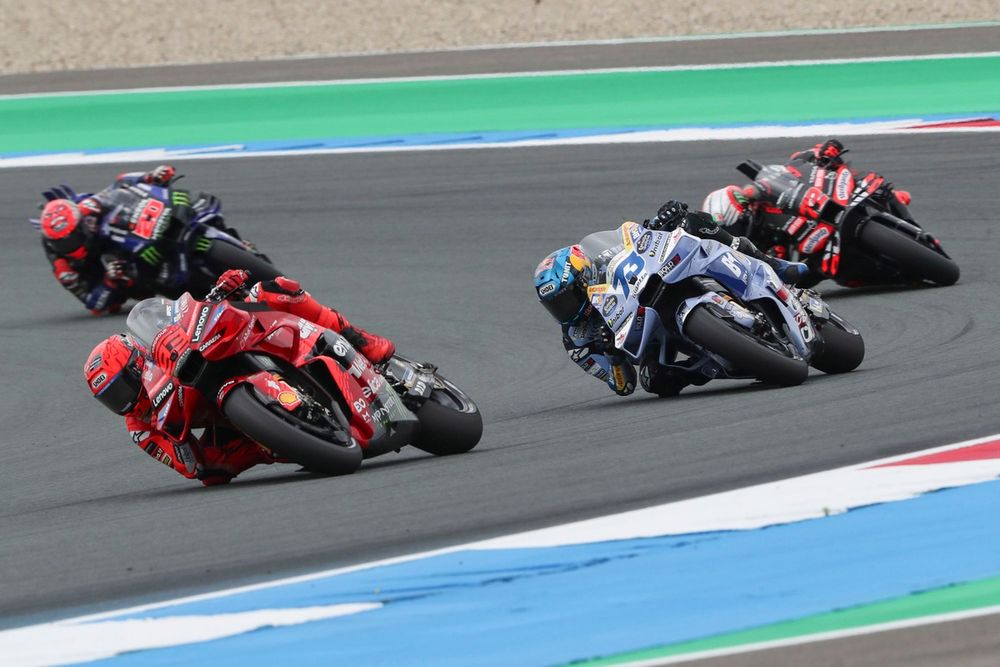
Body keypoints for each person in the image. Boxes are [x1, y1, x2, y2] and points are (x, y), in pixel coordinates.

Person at [83, 271, 395, 486]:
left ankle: (359, 339)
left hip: (228, 353)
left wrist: (221, 292)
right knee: (211, 472)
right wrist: (184, 445)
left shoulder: (163, 348)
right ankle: (287, 439)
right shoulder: (140, 428)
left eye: (122, 388)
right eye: (112, 400)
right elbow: (188, 465)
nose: (124, 402)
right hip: (231, 423)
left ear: (138, 362)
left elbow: (186, 314)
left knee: (275, 289)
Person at [533, 200, 807, 397]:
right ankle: (720, 363)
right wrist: (613, 356)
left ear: (584, 279)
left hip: (653, 287)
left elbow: (633, 240)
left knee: (692, 222)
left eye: (567, 298)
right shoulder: (577, 341)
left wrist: (659, 223)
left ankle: (772, 264)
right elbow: (623, 386)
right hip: (652, 341)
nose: (564, 310)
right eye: (554, 305)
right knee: (654, 381)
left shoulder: (602, 264)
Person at [702, 139, 913, 279]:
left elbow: (798, 163)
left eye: (736, 226)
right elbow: (778, 270)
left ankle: (905, 216)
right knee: (845, 275)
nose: (737, 233)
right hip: (816, 249)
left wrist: (824, 153)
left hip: (829, 200)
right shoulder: (754, 244)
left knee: (881, 188)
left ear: (742, 210)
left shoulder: (763, 190)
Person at [38, 165, 181, 314]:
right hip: (103, 271)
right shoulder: (64, 269)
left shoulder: (87, 208)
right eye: (61, 244)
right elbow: (93, 304)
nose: (67, 246)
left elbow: (119, 184)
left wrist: (150, 176)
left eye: (71, 240)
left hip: (118, 235)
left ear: (81, 225)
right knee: (125, 291)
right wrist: (109, 282)